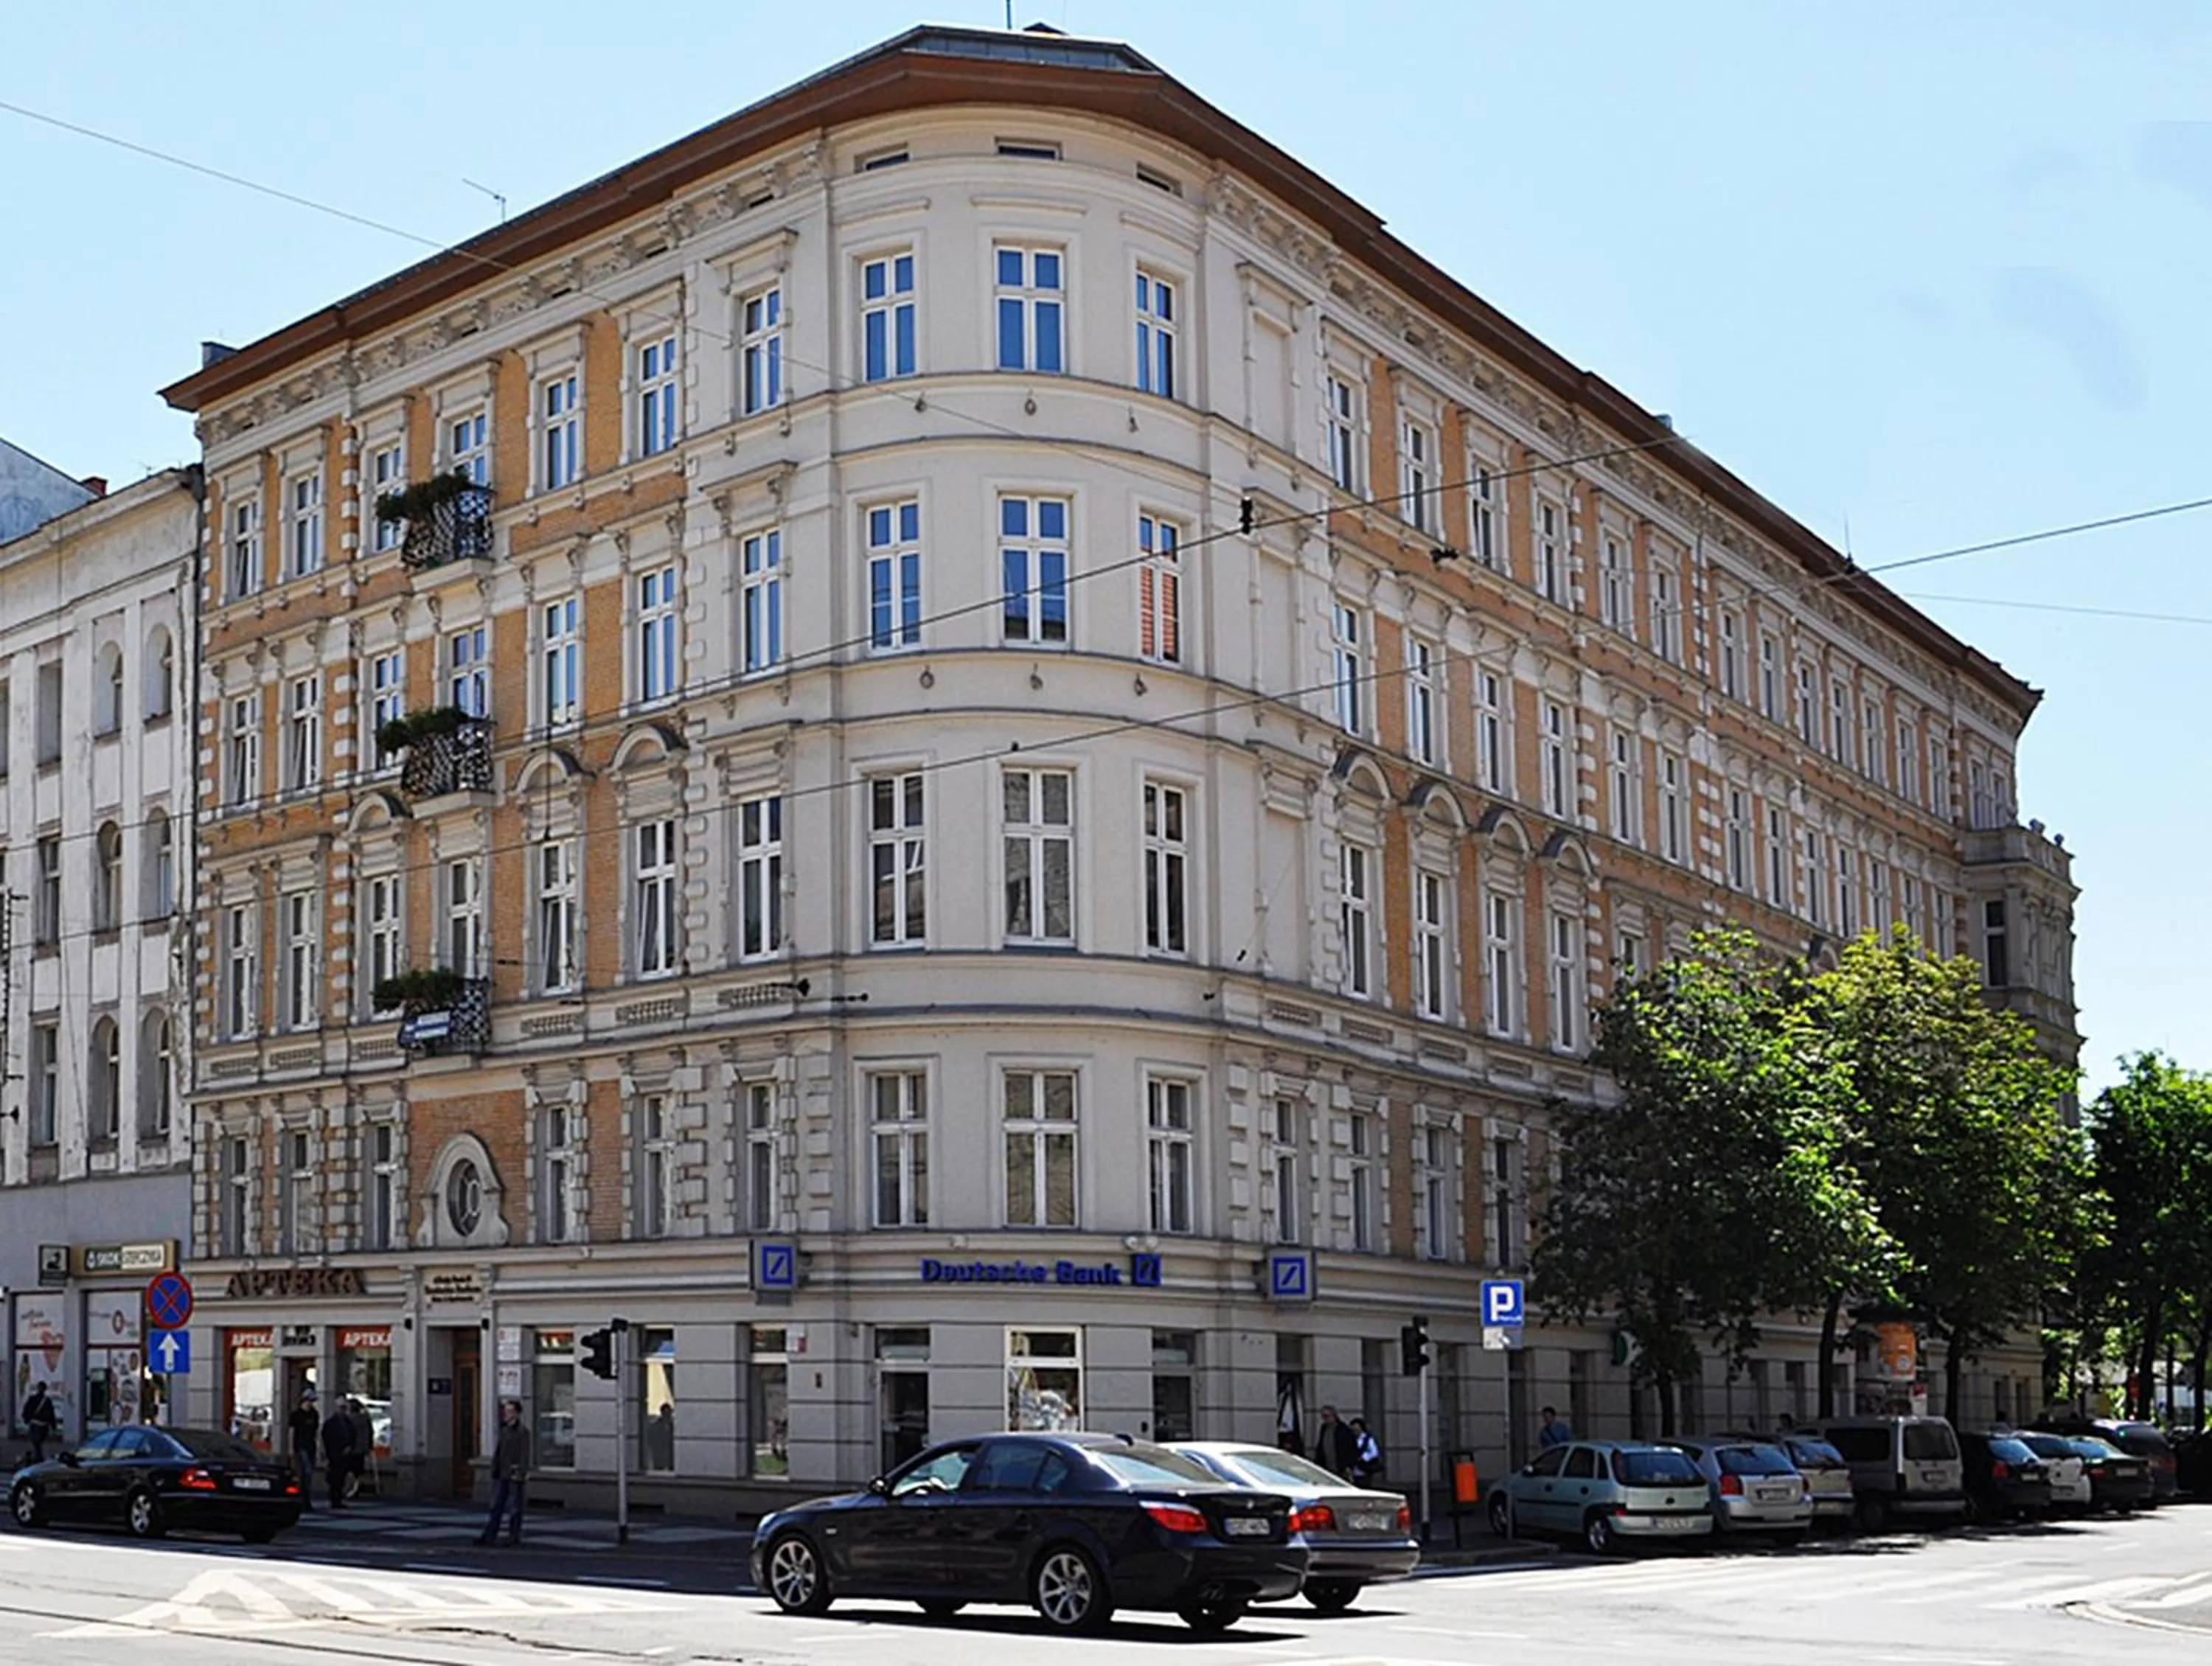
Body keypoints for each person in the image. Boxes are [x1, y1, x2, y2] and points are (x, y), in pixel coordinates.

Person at [479, 1398, 532, 1547]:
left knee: (515, 1507)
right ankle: (489, 1535)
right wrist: (495, 1468)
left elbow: (524, 1454)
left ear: (516, 1414)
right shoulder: (504, 1430)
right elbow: (499, 1452)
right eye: (505, 1411)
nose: (506, 1414)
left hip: (514, 1474)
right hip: (502, 1473)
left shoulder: (522, 1432)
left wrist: (521, 1471)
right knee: (496, 1506)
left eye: (509, 1411)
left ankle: (513, 1536)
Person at [320, 1399, 361, 1510]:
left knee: (342, 1477)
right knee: (334, 1478)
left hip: (345, 1454)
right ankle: (334, 1500)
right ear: (337, 1408)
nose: (343, 1410)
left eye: (344, 1408)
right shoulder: (330, 1423)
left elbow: (353, 1435)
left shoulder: (348, 1422)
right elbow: (326, 1439)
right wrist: (327, 1455)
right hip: (334, 1454)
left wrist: (350, 1447)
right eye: (341, 1408)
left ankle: (339, 1499)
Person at [288, 1390, 321, 1508]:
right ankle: (302, 1498)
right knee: (304, 1473)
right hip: (300, 1447)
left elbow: (316, 1433)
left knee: (309, 1474)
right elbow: (292, 1432)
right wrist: (291, 1450)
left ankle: (306, 1498)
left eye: (312, 1401)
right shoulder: (296, 1415)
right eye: (309, 1401)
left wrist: (318, 1449)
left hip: (311, 1446)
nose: (311, 1404)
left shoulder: (314, 1414)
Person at [1312, 1404, 1357, 1479]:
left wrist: (1349, 1466)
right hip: (1327, 1465)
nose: (1324, 1419)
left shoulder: (1343, 1430)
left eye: (1327, 1416)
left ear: (1334, 1416)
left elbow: (1351, 1449)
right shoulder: (1324, 1428)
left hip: (1341, 1466)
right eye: (1323, 1416)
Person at [20, 1383, 58, 1465]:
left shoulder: (32, 1399)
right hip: (44, 1425)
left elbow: (26, 1410)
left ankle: (38, 1458)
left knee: (36, 1442)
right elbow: (51, 1414)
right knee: (39, 1442)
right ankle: (38, 1457)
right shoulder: (47, 1401)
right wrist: (53, 1426)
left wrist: (26, 1419)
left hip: (35, 1424)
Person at [1349, 1417, 1384, 1485]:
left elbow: (1374, 1452)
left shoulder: (1368, 1439)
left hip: (1365, 1467)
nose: (1355, 1431)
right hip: (1354, 1468)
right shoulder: (1351, 1439)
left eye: (1357, 1429)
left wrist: (1363, 1457)